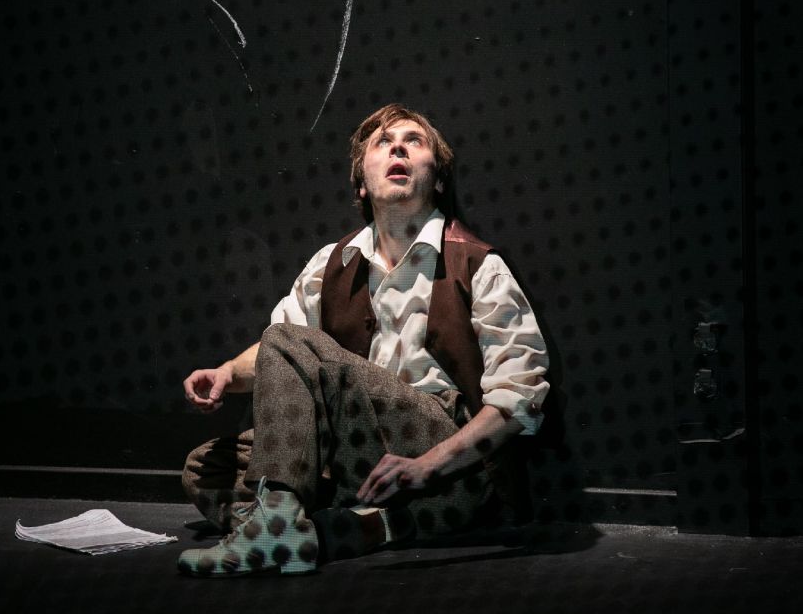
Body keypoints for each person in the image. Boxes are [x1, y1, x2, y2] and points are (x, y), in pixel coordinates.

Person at [178, 103, 549, 577]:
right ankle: (361, 525)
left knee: (286, 340)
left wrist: (428, 466)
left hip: (441, 444)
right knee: (206, 468)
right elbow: (279, 351)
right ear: (360, 183)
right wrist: (228, 373)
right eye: (383, 142)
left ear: (438, 180)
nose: (398, 148)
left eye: (414, 141)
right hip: (358, 450)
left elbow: (520, 399)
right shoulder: (331, 264)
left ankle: (279, 526)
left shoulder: (477, 264)